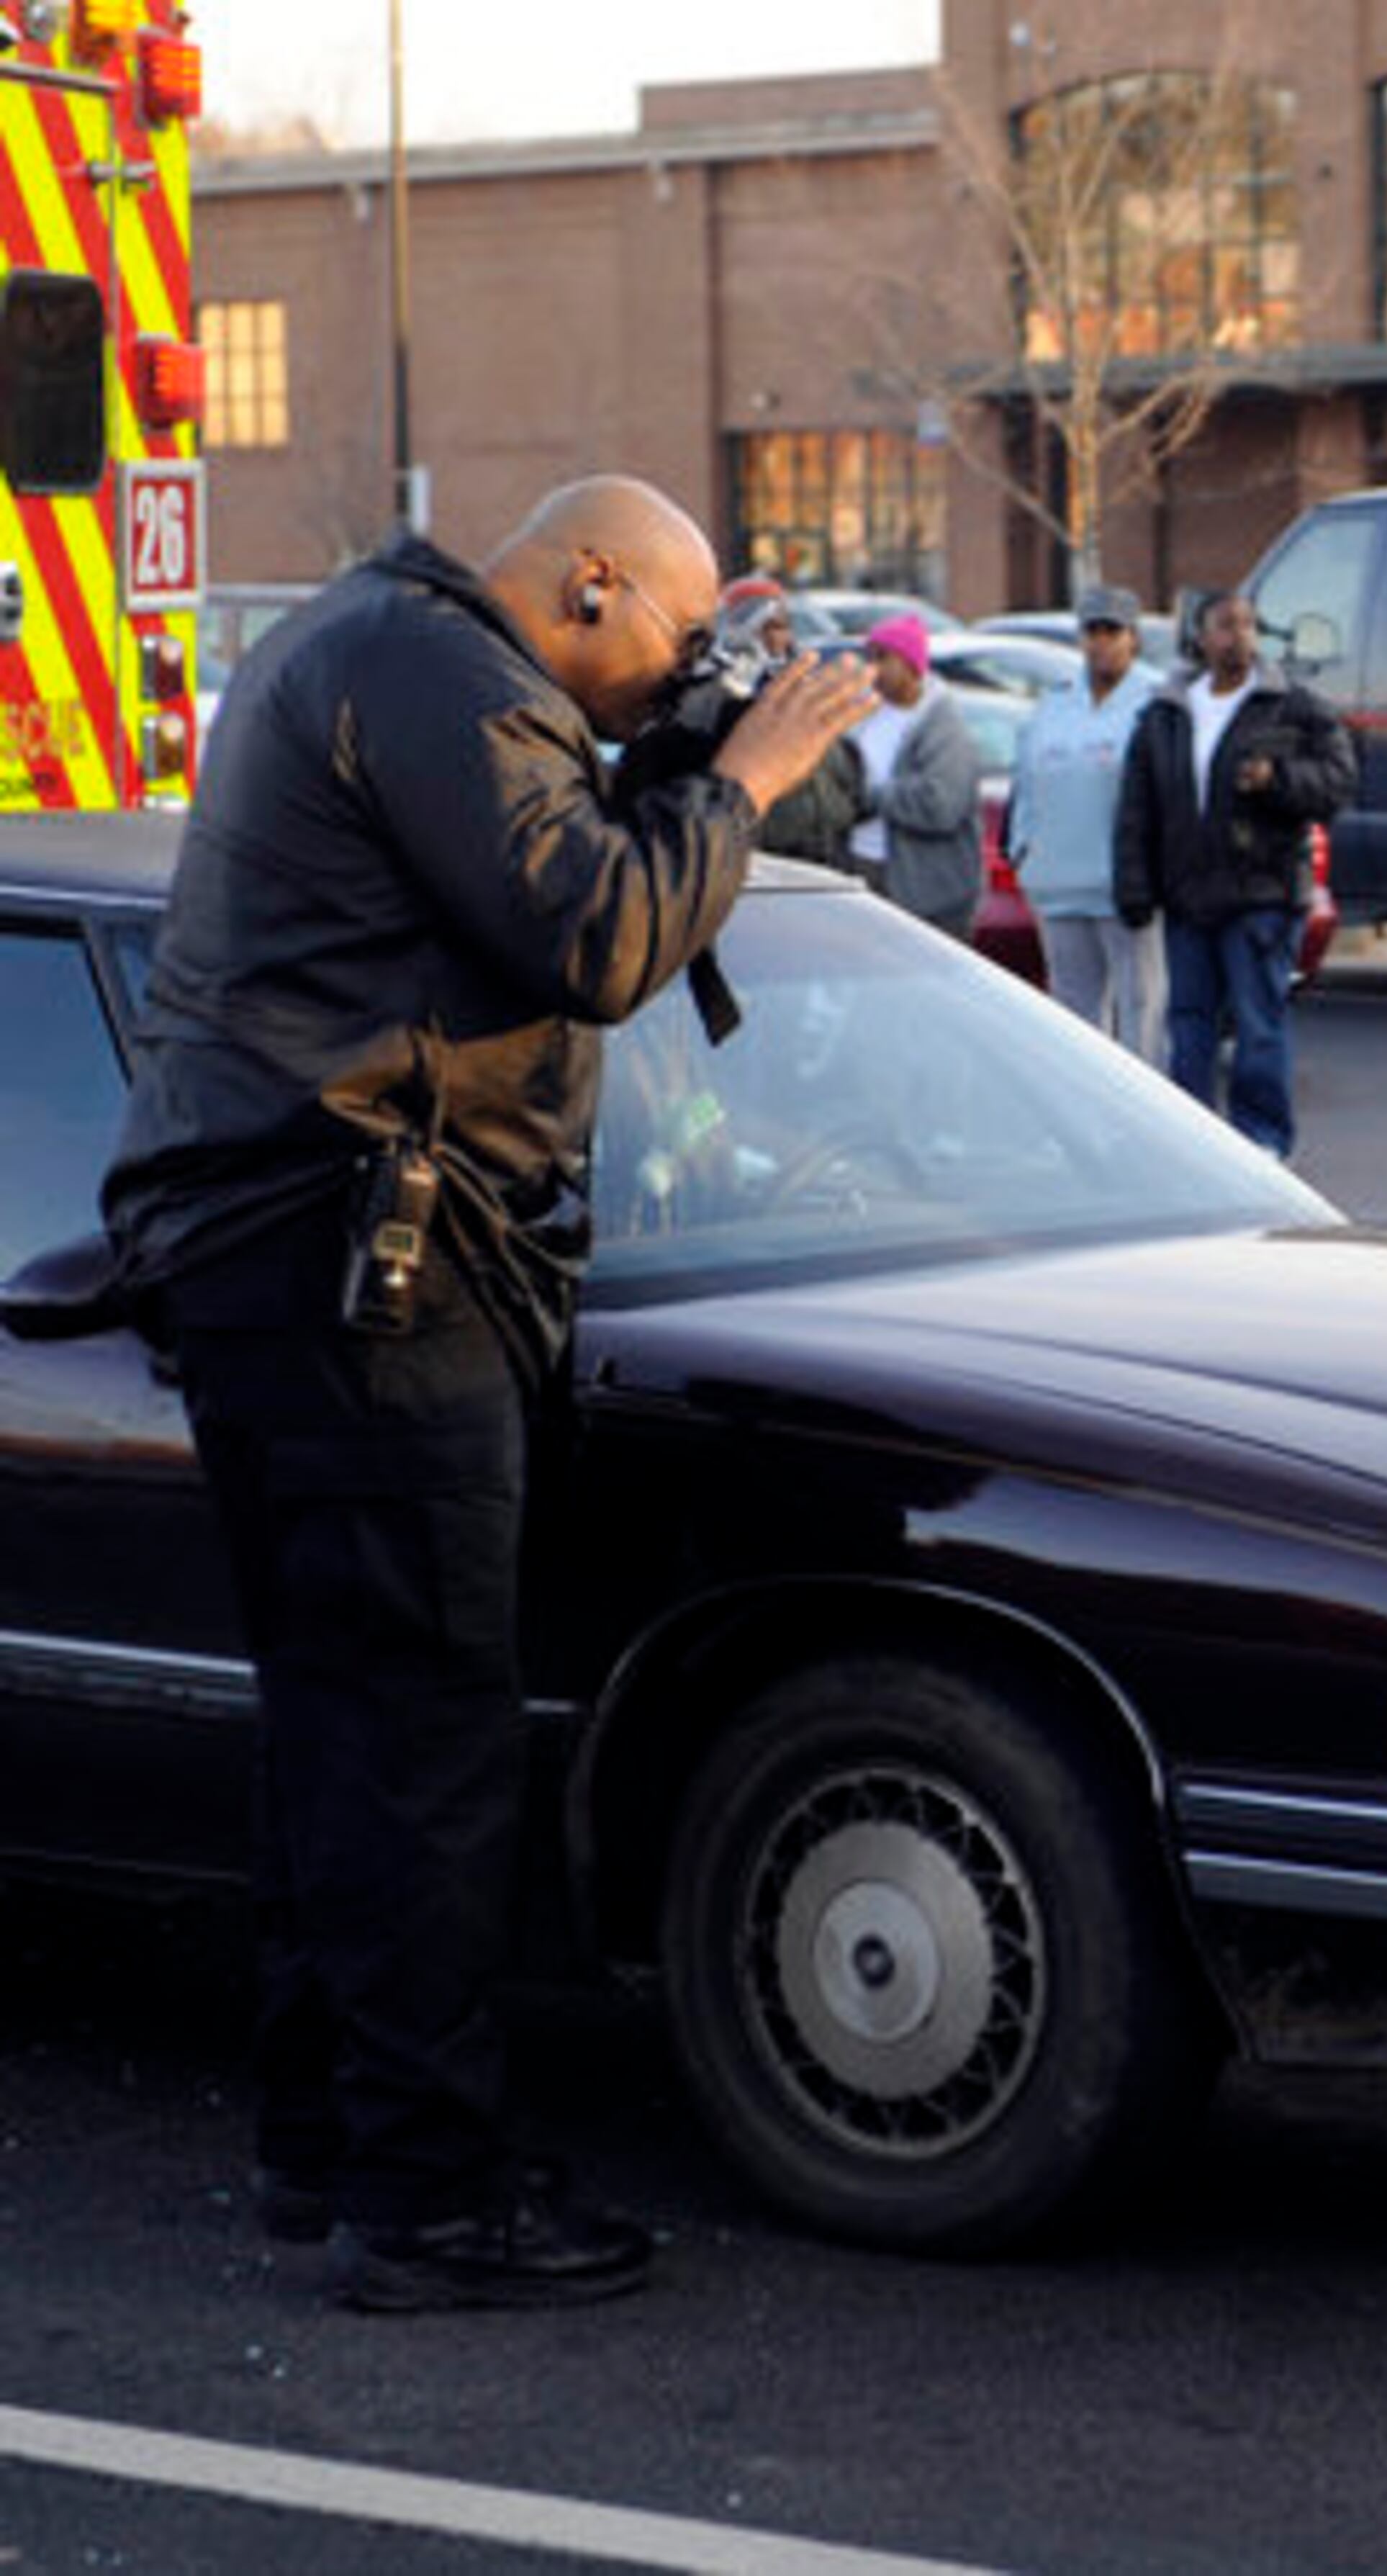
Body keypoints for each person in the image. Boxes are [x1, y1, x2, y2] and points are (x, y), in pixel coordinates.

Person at [99, 476, 874, 2312]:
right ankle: (432, 2202)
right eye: (670, 643)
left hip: (300, 1258)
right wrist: (735, 774)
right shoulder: (436, 670)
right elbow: (598, 932)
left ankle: (336, 2147)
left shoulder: (392, 648)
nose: (669, 683)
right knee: (424, 1743)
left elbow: (559, 872)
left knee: (340, 1740)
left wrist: (697, 729)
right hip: (358, 1265)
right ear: (585, 582)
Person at [1114, 590, 1356, 1156]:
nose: (1240, 636)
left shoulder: (1293, 706)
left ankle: (1263, 1142)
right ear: (1200, 637)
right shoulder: (1168, 711)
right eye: (1226, 625)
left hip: (1262, 896)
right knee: (1189, 1026)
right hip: (1188, 899)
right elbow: (1138, 806)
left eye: (1248, 625)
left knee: (1258, 1026)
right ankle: (1195, 1147)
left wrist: (1278, 781)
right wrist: (1134, 885)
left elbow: (1338, 783)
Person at [1007, 582, 1164, 1055]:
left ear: (1133, 638)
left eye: (1111, 631)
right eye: (1091, 631)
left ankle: (1145, 1118)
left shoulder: (1154, 701)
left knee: (1142, 1009)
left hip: (1128, 887)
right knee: (1073, 1016)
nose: (1100, 642)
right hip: (1058, 884)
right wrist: (1022, 848)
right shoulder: (1056, 700)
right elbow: (1028, 779)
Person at [849, 611, 982, 940]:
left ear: (912, 664)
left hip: (925, 892)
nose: (873, 668)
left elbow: (942, 804)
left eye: (884, 658)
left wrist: (868, 796)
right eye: (870, 657)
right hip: (863, 870)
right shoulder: (864, 716)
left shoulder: (942, 727)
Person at [718, 575, 865, 873]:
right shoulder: (721, 698)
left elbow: (843, 764)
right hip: (769, 865)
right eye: (764, 628)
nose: (776, 640)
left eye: (782, 627)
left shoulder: (809, 688)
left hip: (830, 854)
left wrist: (846, 803)